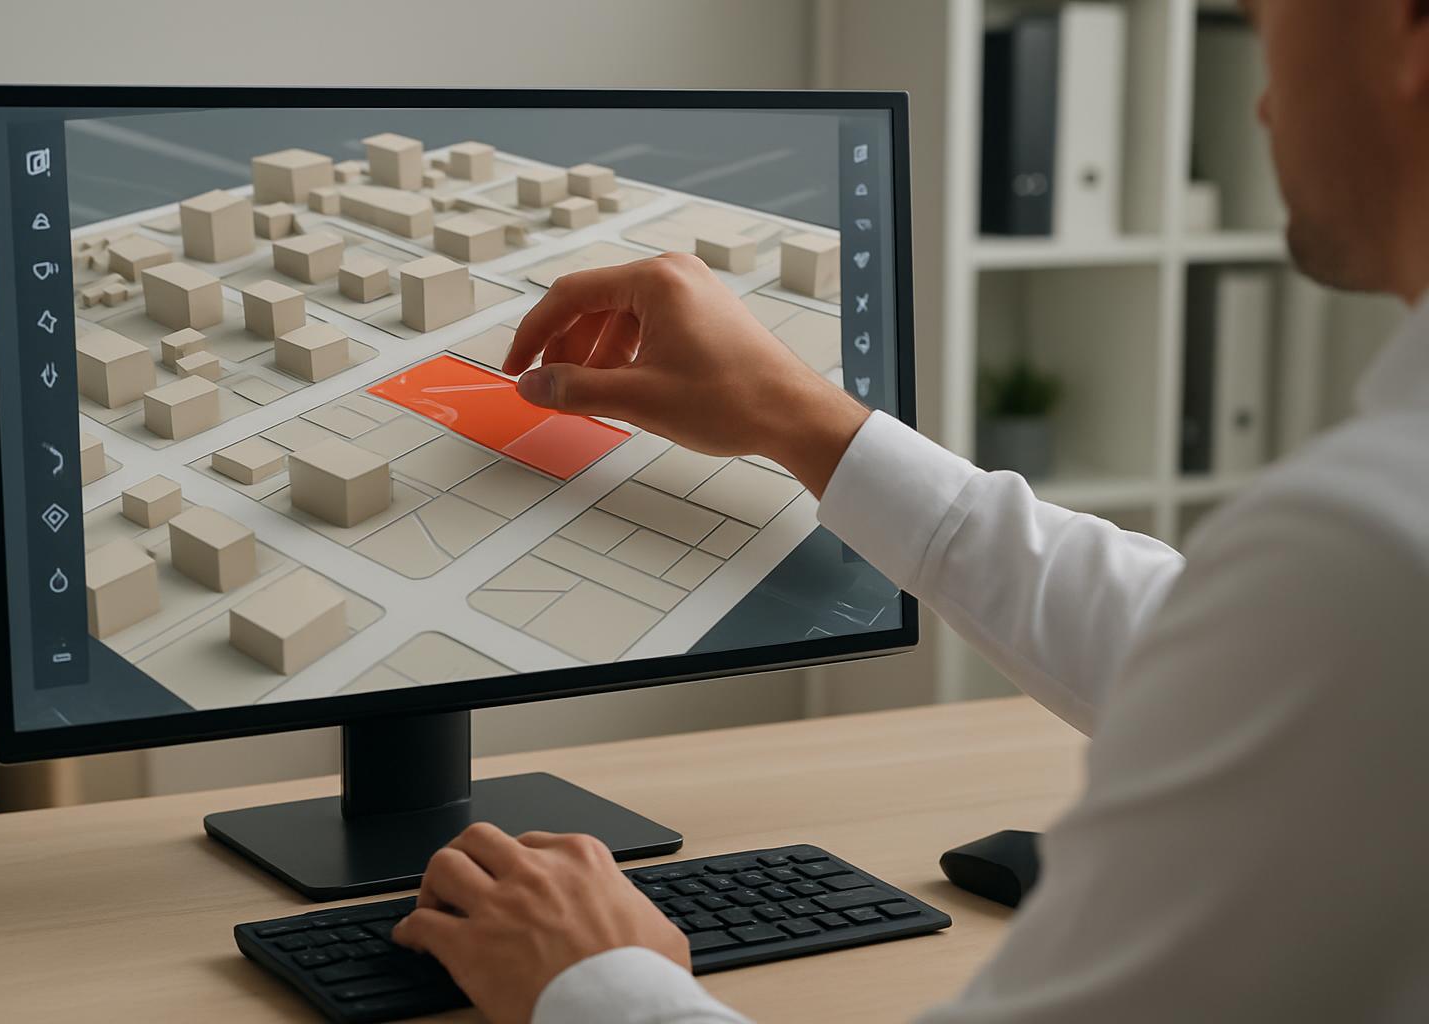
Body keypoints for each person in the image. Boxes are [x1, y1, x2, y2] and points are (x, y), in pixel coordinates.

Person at [392, 0, 1429, 1020]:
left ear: (1407, 29)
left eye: (1265, 15)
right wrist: (802, 418)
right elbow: (1209, 651)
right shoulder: (1358, 574)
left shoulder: (1369, 559)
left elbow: (1284, 647)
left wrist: (597, 977)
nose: (1254, 100)